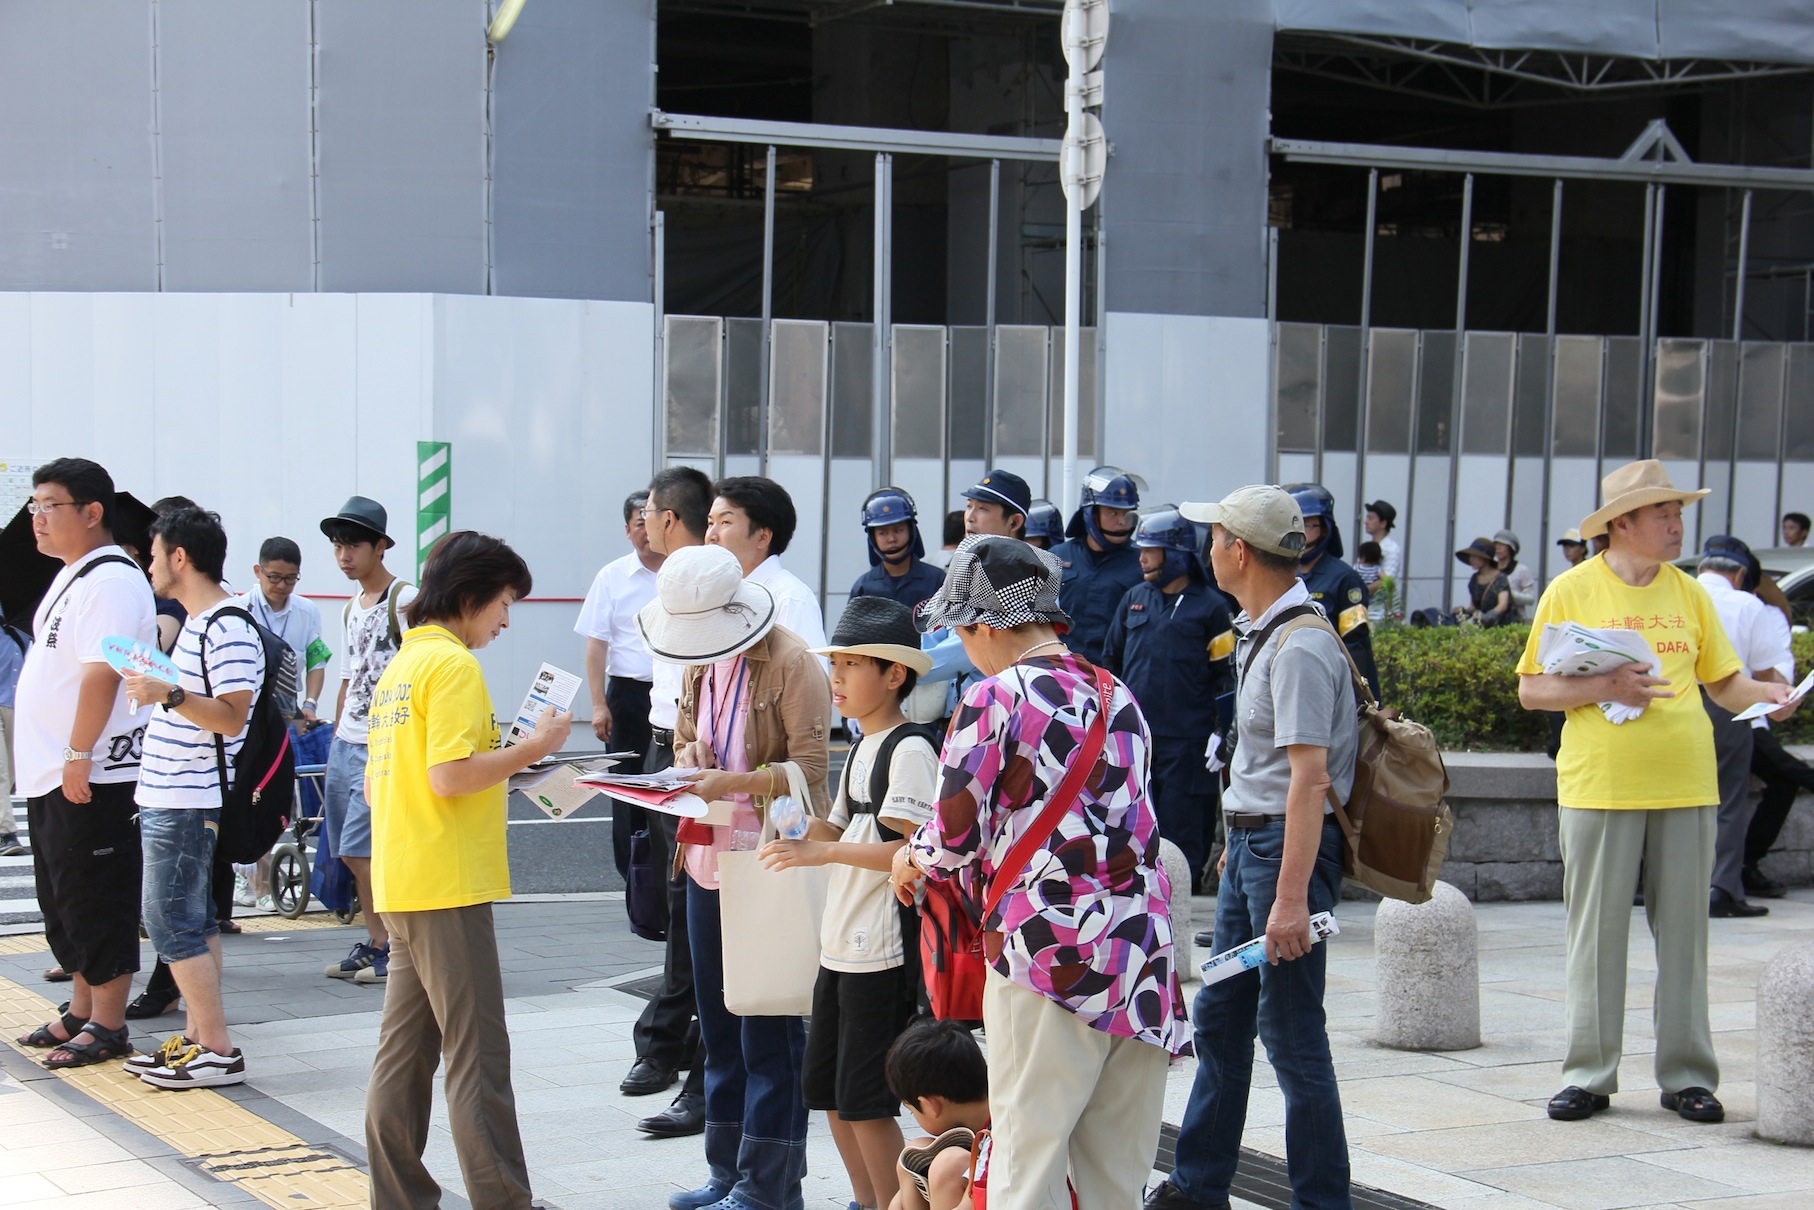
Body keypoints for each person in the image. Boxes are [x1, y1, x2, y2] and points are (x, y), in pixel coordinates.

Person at [894, 535, 1192, 1210]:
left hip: (1048, 954)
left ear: (983, 624)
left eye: (959, 629)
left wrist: (908, 856)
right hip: (1140, 959)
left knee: (1025, 1167)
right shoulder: (1119, 696)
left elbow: (952, 837)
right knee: (1116, 1178)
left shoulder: (993, 698)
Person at [1516, 460, 1795, 1126]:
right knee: (1596, 935)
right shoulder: (1571, 590)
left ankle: (1688, 1076)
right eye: (1663, 514)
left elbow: (1723, 684)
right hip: (1599, 784)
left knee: (1686, 938)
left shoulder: (1690, 594)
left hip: (1686, 781)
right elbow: (1532, 689)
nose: (1676, 525)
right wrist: (1605, 687)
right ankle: (1588, 1075)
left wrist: (1770, 695)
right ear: (1623, 523)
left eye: (1678, 513)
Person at [1151, 486, 1357, 1210]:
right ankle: (1198, 1186)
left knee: (1292, 1034)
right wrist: (1233, 846)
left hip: (1281, 857)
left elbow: (1310, 781)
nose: (1206, 549)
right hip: (1254, 848)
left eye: (1214, 538)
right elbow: (1266, 765)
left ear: (1238, 551)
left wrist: (1291, 898)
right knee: (1222, 1020)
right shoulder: (1263, 630)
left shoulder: (1300, 646)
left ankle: (1321, 1201)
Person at [362, 529, 571, 1210]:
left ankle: (398, 1197)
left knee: (404, 1054)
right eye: (504, 602)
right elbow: (450, 776)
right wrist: (534, 748)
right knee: (477, 1054)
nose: (506, 620)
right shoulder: (452, 667)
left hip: (402, 878)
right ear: (472, 594)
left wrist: (509, 761)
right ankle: (503, 1199)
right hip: (447, 882)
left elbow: (377, 787)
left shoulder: (402, 666)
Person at [640, 542, 833, 1210]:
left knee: (768, 1033)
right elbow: (686, 738)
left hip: (769, 860)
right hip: (706, 858)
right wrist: (690, 754)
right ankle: (726, 1175)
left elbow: (812, 770)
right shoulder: (700, 662)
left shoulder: (791, 661)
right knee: (719, 1030)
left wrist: (733, 781)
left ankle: (767, 1187)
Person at [758, 597, 937, 1210]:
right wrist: (791, 820)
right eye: (834, 665)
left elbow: (910, 851)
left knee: (865, 1101)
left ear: (894, 674)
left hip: (880, 950)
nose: (835, 678)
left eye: (852, 665)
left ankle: (894, 1203)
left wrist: (823, 853)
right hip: (841, 944)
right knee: (831, 1097)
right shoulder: (862, 744)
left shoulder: (909, 749)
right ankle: (868, 1201)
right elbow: (837, 829)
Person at [11, 459, 155, 1068]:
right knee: (64, 897)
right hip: (55, 771)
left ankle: (109, 1023)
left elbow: (103, 673)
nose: (37, 518)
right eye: (34, 507)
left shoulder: (112, 579)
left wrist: (78, 753)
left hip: (94, 772)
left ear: (92, 512)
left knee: (98, 895)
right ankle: (80, 1009)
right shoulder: (75, 575)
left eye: (50, 506)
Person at [118, 507, 264, 1087]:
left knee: (169, 922)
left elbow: (230, 717)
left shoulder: (227, 626)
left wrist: (169, 693)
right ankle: (201, 1039)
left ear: (180, 557)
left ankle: (218, 1048)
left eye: (154, 555)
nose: (150, 566)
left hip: (186, 796)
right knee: (193, 921)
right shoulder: (203, 624)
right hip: (172, 794)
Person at [624, 466, 714, 1135]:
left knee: (696, 906)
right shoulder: (659, 584)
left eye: (649, 511)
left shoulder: (726, 590)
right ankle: (668, 1039)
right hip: (664, 748)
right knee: (670, 900)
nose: (642, 521)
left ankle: (683, 1052)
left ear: (669, 518)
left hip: (706, 765)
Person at [1102, 506, 1236, 890]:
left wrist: (1222, 731)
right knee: (1131, 820)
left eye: (1151, 550)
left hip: (1188, 741)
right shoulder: (1134, 598)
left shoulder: (1211, 607)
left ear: (1176, 554)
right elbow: (1110, 662)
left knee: (1183, 822)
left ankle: (1181, 903)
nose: (1141, 557)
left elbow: (1225, 676)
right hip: (1137, 738)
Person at [320, 496, 417, 985]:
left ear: (380, 546)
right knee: (348, 850)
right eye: (338, 545)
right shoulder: (349, 608)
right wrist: (336, 736)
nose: (344, 555)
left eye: (353, 545)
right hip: (347, 741)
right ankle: (377, 942)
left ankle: (394, 947)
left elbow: (424, 665)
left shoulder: (405, 598)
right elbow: (348, 677)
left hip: (385, 745)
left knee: (365, 851)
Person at [1694, 537, 1790, 919]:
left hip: (1669, 704)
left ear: (1701, 568)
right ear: (1739, 575)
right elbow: (1766, 671)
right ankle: (1721, 889)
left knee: (1665, 797)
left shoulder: (1677, 596)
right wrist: (1781, 694)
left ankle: (1652, 884)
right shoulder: (1748, 604)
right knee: (1728, 798)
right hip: (1726, 705)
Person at [576, 491, 663, 875]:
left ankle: (666, 876)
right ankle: (632, 879)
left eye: (652, 522)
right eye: (639, 523)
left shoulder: (683, 573)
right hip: (628, 696)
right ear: (627, 530)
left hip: (676, 697)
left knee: (671, 787)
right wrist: (599, 705)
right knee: (627, 791)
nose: (647, 531)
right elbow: (596, 645)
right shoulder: (611, 577)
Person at [707, 476, 827, 649]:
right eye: (710, 523)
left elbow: (806, 666)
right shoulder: (717, 595)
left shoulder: (790, 599)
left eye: (725, 522)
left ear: (763, 537)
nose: (711, 535)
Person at [885, 1020, 994, 1210]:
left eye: (912, 1111)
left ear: (931, 1105)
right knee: (915, 1151)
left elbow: (975, 1201)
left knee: (949, 1164)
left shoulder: (1001, 1130)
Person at [1287, 483, 1381, 702]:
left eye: (1307, 525)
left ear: (1324, 528)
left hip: (1333, 691)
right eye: (1294, 524)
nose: (1300, 532)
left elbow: (1355, 648)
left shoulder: (1345, 579)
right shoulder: (1284, 575)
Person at [1048, 465, 1145, 665]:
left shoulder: (1141, 562)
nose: (1122, 522)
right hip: (1062, 671)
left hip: (1114, 674)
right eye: (1113, 513)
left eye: (1127, 514)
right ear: (1091, 514)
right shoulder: (1058, 556)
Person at [848, 487, 944, 611]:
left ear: (911, 531)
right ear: (872, 537)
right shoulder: (863, 587)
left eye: (899, 530)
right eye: (882, 533)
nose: (892, 539)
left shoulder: (937, 580)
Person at [0, 616, 25, 855]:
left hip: (19, 705)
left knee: (12, 773)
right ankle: (6, 833)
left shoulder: (22, 619)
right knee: (0, 772)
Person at [1455, 537, 1515, 626]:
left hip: (1502, 625)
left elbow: (1503, 605)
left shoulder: (1500, 578)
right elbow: (1473, 606)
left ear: (1485, 558)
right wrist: (1463, 612)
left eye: (1475, 556)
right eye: (1471, 556)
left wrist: (1488, 616)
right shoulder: (1474, 579)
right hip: (1482, 627)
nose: (1471, 559)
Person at [1494, 530, 1539, 617]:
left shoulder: (1521, 570)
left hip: (1515, 617)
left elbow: (1530, 599)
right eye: (1496, 544)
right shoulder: (1490, 569)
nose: (1498, 548)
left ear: (1511, 548)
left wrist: (1509, 594)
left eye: (1502, 545)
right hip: (1492, 617)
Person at [1362, 499, 1401, 580]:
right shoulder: (1367, 547)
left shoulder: (1391, 549)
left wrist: (1363, 587)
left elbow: (1387, 581)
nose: (1366, 522)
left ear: (1383, 524)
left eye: (1370, 518)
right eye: (1367, 517)